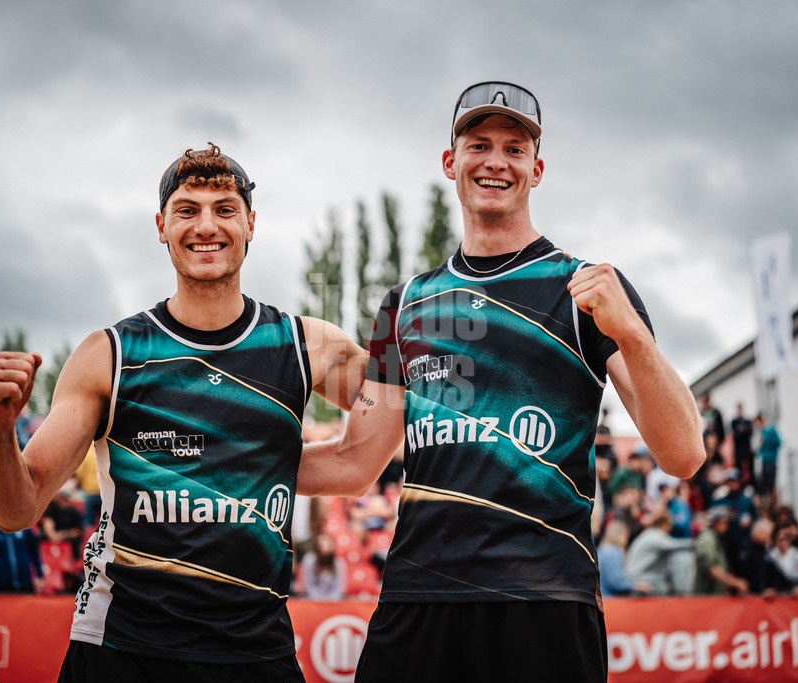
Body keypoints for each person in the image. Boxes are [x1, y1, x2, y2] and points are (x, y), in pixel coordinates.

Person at [299, 81, 704, 682]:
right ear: (450, 162)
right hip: (419, 602)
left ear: (536, 170)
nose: (495, 161)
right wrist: (238, 458)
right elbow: (357, 461)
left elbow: (685, 453)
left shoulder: (584, 290)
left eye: (515, 149)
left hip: (543, 605)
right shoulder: (404, 305)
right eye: (479, 144)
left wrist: (635, 338)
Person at [0, 144, 367, 682]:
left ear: (251, 223)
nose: (206, 225)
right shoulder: (109, 357)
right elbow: (16, 510)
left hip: (255, 654)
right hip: (122, 650)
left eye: (224, 209)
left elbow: (401, 408)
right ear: (161, 225)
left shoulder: (307, 347)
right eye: (187, 209)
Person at [625, 511, 693, 595]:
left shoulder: (649, 534)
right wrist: (695, 543)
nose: (671, 529)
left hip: (642, 575)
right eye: (669, 525)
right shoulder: (653, 535)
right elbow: (672, 545)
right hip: (639, 578)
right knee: (663, 588)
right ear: (663, 524)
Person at [693, 506, 749, 596]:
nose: (727, 526)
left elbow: (719, 568)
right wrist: (735, 582)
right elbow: (712, 569)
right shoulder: (707, 539)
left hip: (713, 598)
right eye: (725, 522)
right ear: (717, 522)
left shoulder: (715, 539)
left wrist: (733, 582)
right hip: (705, 599)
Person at [0, 522, 44, 593]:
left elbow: (35, 553)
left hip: (26, 584)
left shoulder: (25, 529)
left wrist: (40, 575)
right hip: (2, 586)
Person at [597, 519, 651, 597]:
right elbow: (616, 582)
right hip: (610, 601)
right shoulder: (613, 552)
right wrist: (636, 585)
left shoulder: (601, 549)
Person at [299, 532, 346, 601]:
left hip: (333, 603)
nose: (325, 552)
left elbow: (339, 589)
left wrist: (329, 602)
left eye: (328, 547)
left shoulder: (339, 563)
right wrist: (320, 601)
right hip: (312, 601)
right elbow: (308, 587)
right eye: (322, 547)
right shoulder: (309, 560)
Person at [768, 524, 798, 594]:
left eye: (786, 539)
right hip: (778, 590)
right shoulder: (770, 556)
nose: (784, 542)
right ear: (775, 539)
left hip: (797, 589)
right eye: (781, 539)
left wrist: (788, 576)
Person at [730, 402, 755, 489]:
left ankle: (752, 486)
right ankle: (740, 487)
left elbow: (749, 432)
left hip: (747, 448)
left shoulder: (747, 421)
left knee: (751, 469)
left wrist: (742, 431)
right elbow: (736, 434)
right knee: (739, 469)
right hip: (739, 449)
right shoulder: (734, 421)